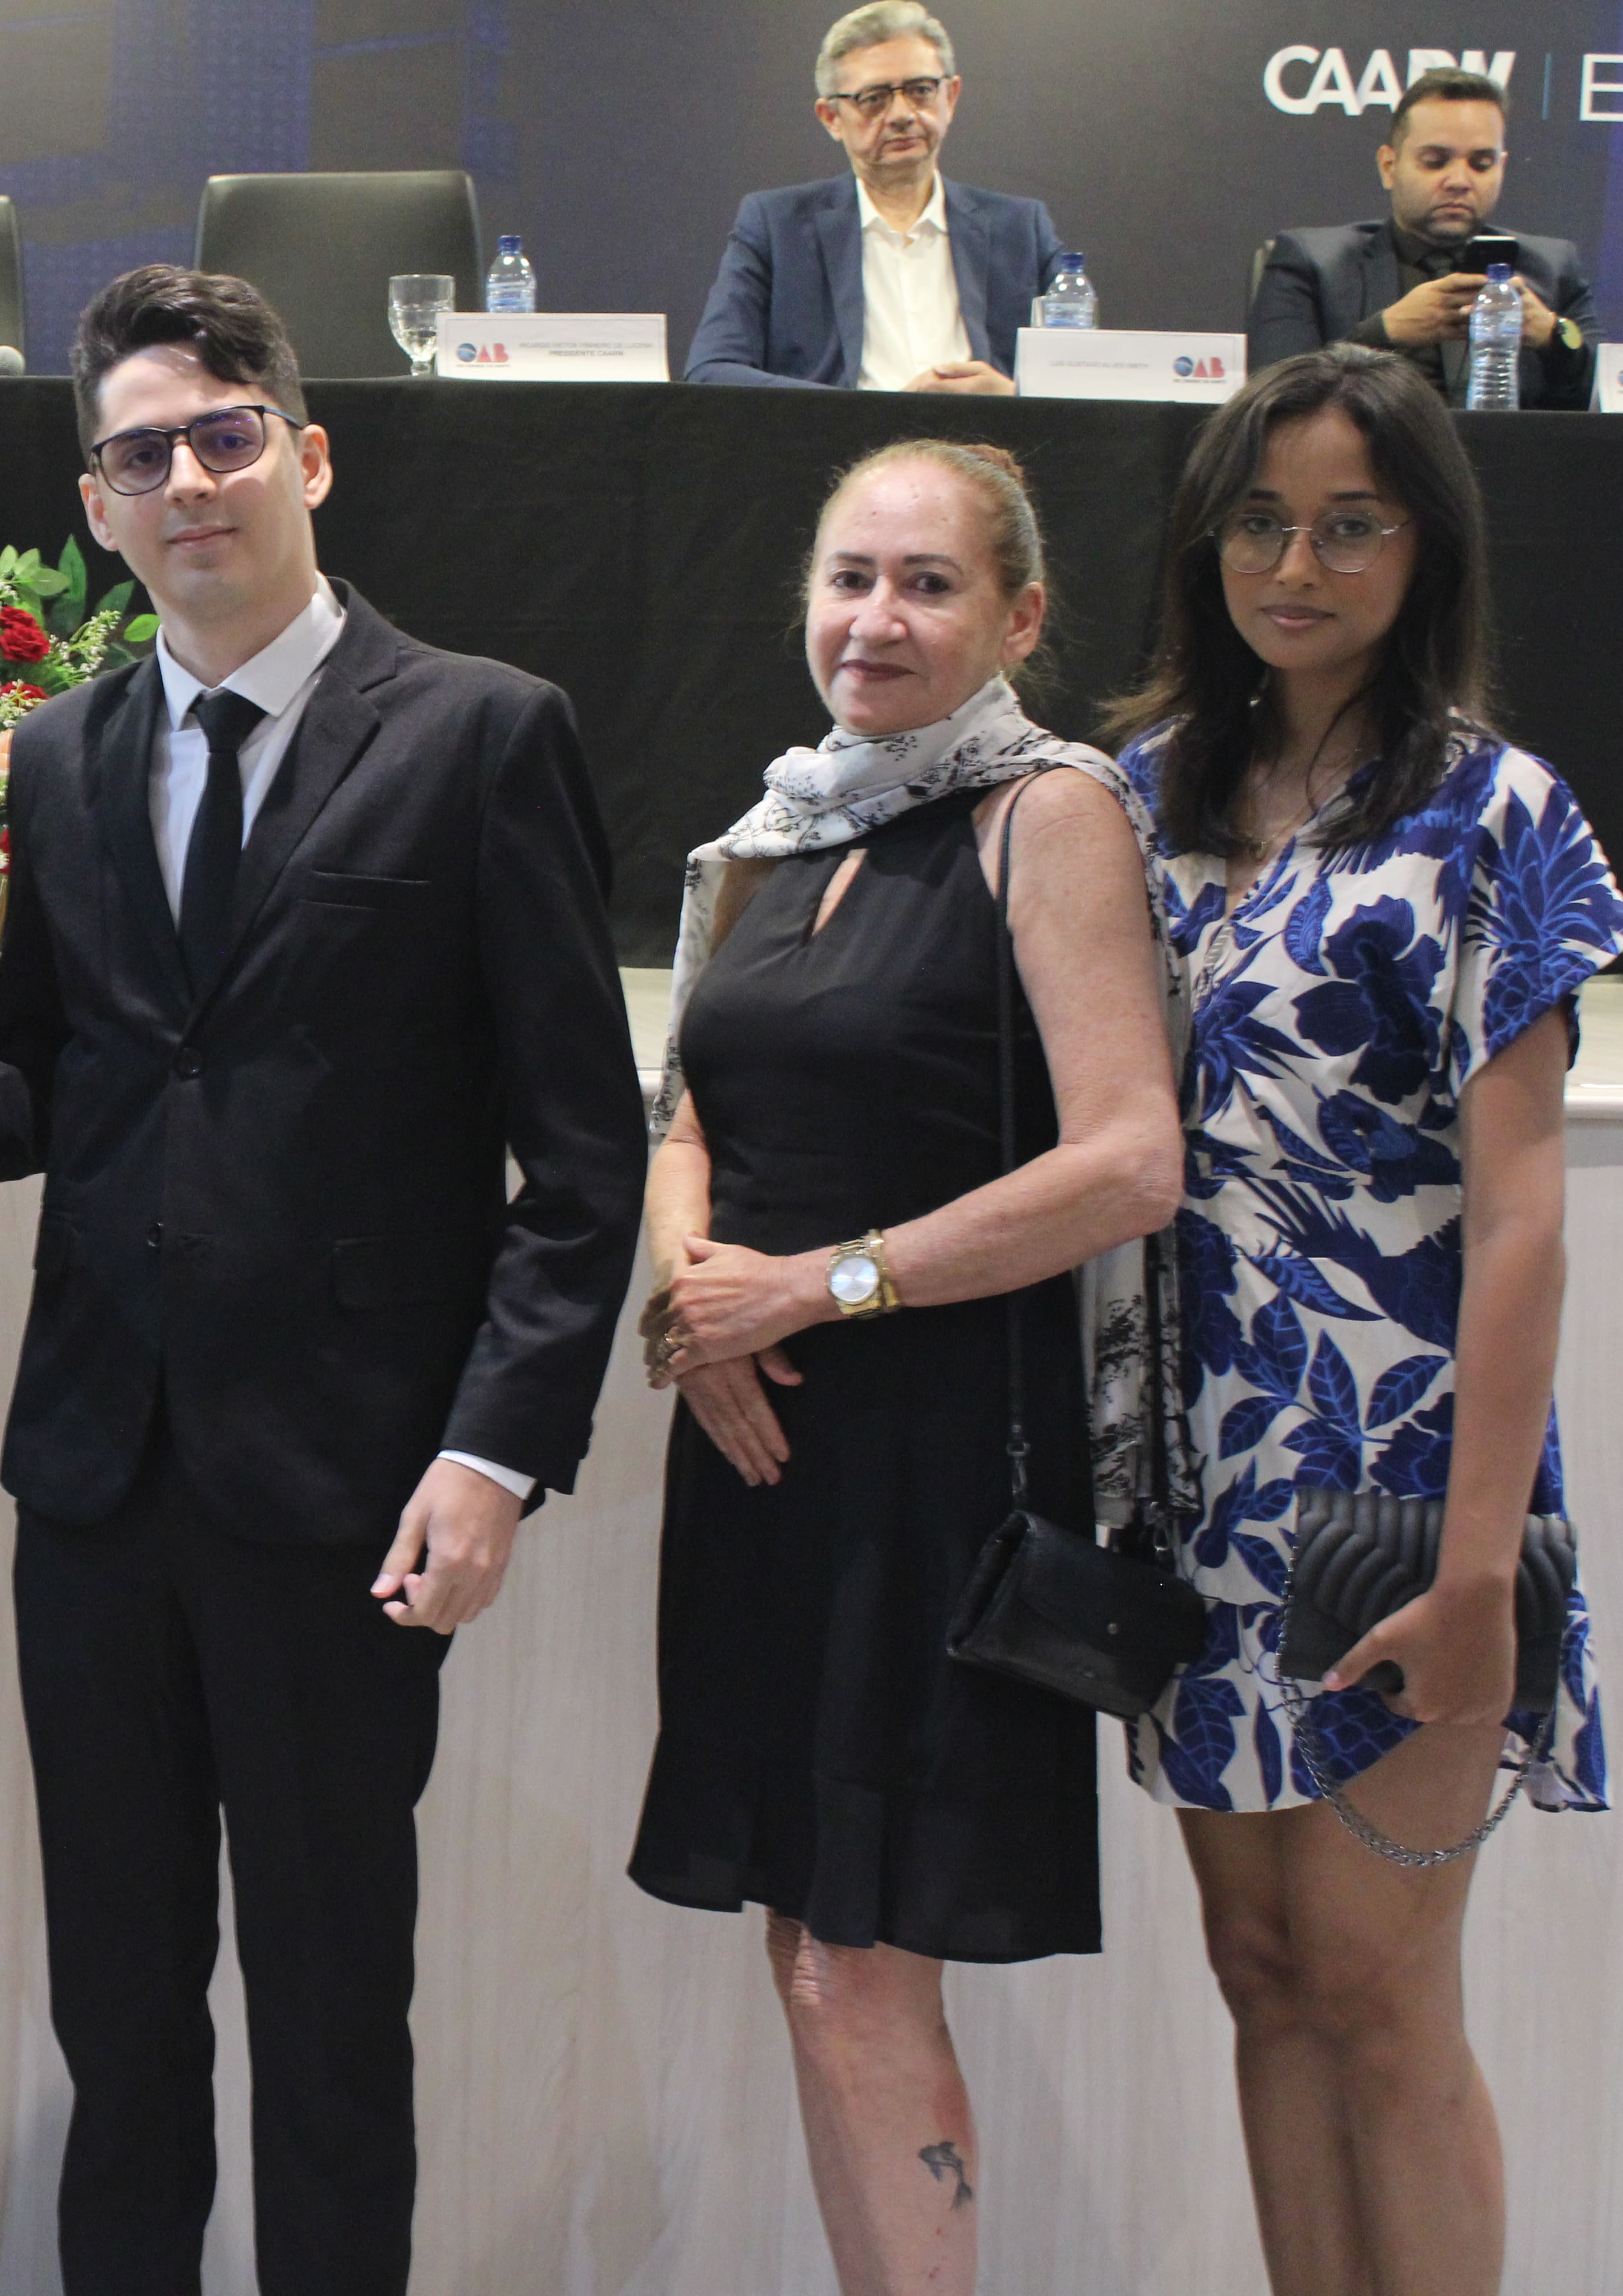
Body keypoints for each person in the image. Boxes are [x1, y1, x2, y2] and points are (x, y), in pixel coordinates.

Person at [0, 265, 646, 2295]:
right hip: (94, 1481)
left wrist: (495, 1454)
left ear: (307, 456)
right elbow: (60, 1065)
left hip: (347, 1488)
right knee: (115, 2020)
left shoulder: (480, 735)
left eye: (222, 438)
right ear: (96, 505)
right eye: (141, 455)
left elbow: (582, 1157)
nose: (186, 481)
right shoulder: (63, 752)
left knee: (328, 2019)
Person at [631, 439, 1179, 2290]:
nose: (875, 618)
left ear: (1019, 619)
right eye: (848, 577)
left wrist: (814, 1290)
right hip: (759, 1455)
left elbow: (1128, 1163)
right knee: (805, 1949)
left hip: (933, 1469)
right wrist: (695, 1302)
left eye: (928, 584)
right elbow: (686, 1109)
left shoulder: (1051, 813)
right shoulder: (774, 830)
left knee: (858, 1966)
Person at [1112, 344, 1616, 2295]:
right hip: (1194, 1478)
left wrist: (1482, 1574)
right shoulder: (1140, 796)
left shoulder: (1495, 814)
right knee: (1263, 1975)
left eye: (1349, 526)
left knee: (1383, 1999)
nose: (1295, 566)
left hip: (1404, 1483)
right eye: (1259, 522)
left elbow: (1523, 1222)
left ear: (1428, 550)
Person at [686, 3, 1059, 394]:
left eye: (920, 91)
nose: (901, 114)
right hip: (843, 433)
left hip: (987, 433)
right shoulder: (777, 227)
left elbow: (1086, 379)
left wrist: (1013, 398)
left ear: (951, 96)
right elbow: (712, 371)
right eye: (873, 98)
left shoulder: (1022, 229)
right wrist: (873, 413)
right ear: (831, 117)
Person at [1249, 66, 1598, 410]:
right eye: (1435, 162)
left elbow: (1607, 395)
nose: (1459, 181)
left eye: (1481, 164)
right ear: (1389, 166)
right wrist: (1382, 334)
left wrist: (1553, 337)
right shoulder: (1310, 264)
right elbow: (1271, 401)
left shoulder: (1552, 269)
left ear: (1501, 168)